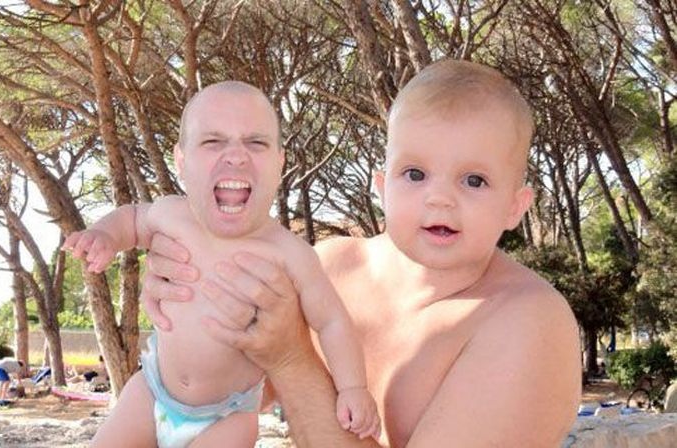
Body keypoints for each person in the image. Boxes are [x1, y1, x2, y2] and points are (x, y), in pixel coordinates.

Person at [143, 60, 582, 447]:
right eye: (415, 173)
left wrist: (292, 357)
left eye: (474, 181)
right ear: (382, 185)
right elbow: (226, 393)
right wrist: (190, 288)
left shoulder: (529, 321)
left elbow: (288, 366)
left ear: (515, 206)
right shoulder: (330, 267)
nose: (440, 199)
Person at [64, 81, 379, 448]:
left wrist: (353, 388)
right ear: (181, 160)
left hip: (228, 415)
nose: (236, 156)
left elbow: (332, 321)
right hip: (151, 392)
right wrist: (103, 235)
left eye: (256, 142)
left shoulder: (290, 253)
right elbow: (132, 219)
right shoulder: (172, 215)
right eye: (213, 141)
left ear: (280, 162)